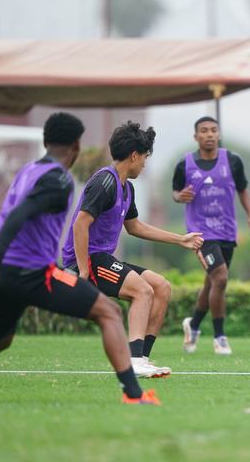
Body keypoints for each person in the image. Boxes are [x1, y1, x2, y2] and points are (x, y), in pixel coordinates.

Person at [0, 112, 160, 405]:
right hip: (32, 272)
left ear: (45, 142)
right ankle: (134, 395)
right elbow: (20, 214)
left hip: (3, 272)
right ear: (76, 146)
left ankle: (135, 390)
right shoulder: (59, 179)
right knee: (109, 313)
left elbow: (10, 214)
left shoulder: (28, 170)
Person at [63, 121, 203, 378]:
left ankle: (142, 359)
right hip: (89, 259)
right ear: (134, 156)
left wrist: (180, 239)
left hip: (103, 258)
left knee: (161, 287)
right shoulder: (105, 182)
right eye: (146, 157)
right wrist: (82, 271)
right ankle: (134, 360)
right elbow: (80, 224)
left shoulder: (127, 188)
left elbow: (135, 227)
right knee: (143, 290)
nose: (145, 164)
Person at [174, 116, 250, 355]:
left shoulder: (232, 161)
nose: (209, 134)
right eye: (204, 130)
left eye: (213, 130)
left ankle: (193, 325)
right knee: (220, 278)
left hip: (226, 230)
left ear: (218, 134)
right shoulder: (184, 165)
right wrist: (179, 196)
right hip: (200, 232)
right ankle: (220, 337)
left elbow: (243, 189)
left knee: (213, 282)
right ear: (196, 136)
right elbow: (175, 192)